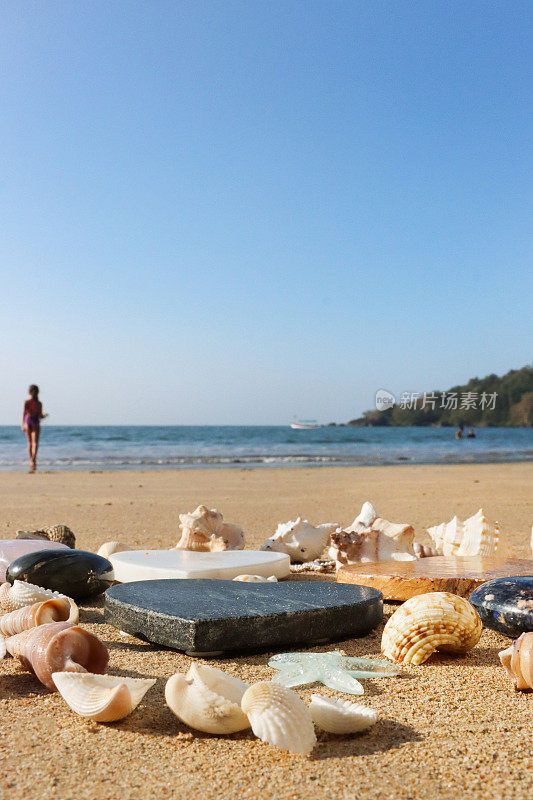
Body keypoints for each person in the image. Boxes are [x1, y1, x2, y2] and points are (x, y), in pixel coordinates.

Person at [21, 385, 48, 472]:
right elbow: (40, 415)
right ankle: (33, 460)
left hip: (28, 421)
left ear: (29, 392)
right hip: (34, 421)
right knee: (34, 443)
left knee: (30, 442)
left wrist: (23, 424)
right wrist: (43, 415)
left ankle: (31, 460)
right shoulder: (39, 403)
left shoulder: (27, 402)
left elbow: (24, 414)